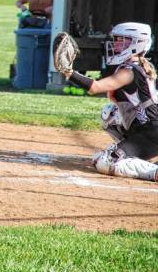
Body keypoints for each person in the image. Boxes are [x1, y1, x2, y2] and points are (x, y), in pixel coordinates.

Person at [58, 23, 158, 183]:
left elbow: (96, 87)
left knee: (106, 163)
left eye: (122, 40)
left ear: (136, 43)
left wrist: (69, 72)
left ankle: (153, 171)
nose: (116, 44)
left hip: (151, 133)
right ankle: (130, 153)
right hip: (144, 128)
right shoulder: (139, 65)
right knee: (109, 115)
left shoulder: (129, 71)